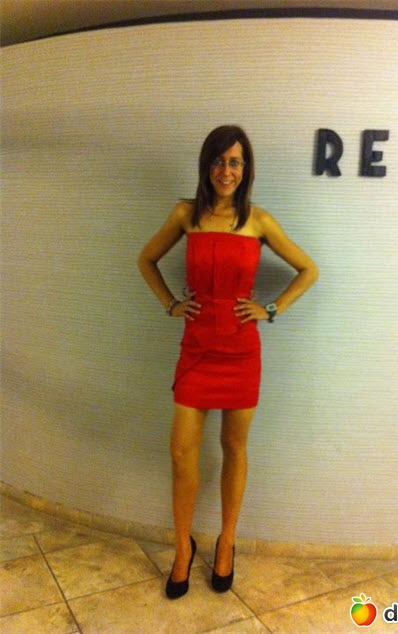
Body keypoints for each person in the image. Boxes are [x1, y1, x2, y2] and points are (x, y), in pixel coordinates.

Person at [137, 125, 318, 599]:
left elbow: (309, 269)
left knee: (234, 449)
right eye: (219, 161)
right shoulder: (185, 214)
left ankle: (227, 541)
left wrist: (271, 307)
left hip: (241, 350)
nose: (226, 171)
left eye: (235, 162)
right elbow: (146, 260)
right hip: (196, 349)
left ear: (246, 168)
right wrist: (171, 304)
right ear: (206, 166)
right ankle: (183, 546)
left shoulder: (258, 221)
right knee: (181, 454)